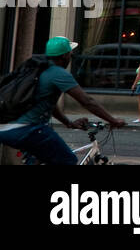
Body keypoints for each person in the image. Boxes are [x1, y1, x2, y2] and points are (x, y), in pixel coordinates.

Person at [0, 37, 126, 165]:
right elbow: (87, 101)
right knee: (68, 160)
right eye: (70, 54)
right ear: (65, 56)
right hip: (29, 129)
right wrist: (113, 121)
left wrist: (68, 123)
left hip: (7, 129)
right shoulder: (58, 73)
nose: (71, 57)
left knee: (41, 159)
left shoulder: (39, 69)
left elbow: (51, 106)